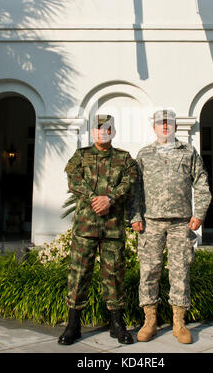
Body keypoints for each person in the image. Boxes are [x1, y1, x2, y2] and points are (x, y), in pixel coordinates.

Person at [131, 109, 211, 344]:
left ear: (175, 126)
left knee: (180, 271)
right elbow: (135, 189)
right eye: (160, 123)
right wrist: (135, 215)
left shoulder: (189, 152)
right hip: (151, 223)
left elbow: (202, 183)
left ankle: (179, 323)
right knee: (149, 271)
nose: (164, 127)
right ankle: (150, 321)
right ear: (153, 127)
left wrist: (199, 213)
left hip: (181, 223)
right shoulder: (144, 154)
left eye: (168, 123)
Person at [58, 114, 137, 346]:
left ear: (113, 132)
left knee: (114, 275)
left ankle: (117, 323)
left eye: (108, 128)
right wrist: (96, 199)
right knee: (79, 274)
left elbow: (130, 182)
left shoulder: (125, 158)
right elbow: (73, 179)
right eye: (99, 128)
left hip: (112, 228)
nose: (103, 132)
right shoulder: (80, 156)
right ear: (93, 132)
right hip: (85, 227)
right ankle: (73, 325)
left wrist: (110, 199)